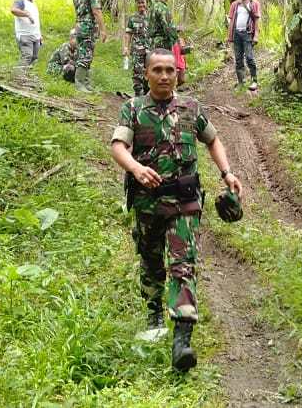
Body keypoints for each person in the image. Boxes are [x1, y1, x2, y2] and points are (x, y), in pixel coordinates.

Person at [110, 48, 244, 371]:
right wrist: (136, 168)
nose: (165, 76)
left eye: (170, 70)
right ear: (146, 75)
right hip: (147, 202)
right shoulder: (133, 110)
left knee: (183, 265)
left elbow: (212, 140)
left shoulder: (190, 108)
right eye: (157, 70)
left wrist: (227, 172)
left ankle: (182, 339)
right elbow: (118, 146)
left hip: (184, 201)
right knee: (151, 259)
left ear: (177, 73)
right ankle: (154, 311)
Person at [73, 0, 108, 93]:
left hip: (79, 27)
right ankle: (80, 84)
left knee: (84, 53)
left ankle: (86, 83)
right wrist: (103, 30)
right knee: (85, 54)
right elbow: (96, 11)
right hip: (88, 28)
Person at [226, 0, 261, 90]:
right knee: (238, 59)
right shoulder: (235, 5)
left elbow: (256, 20)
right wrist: (229, 35)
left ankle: (254, 81)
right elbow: (231, 21)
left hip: (248, 34)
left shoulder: (254, 4)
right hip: (237, 34)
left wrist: (256, 35)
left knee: (249, 58)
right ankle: (241, 81)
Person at [10, 0, 43, 76]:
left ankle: (28, 77)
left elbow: (36, 22)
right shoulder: (21, 2)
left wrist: (40, 35)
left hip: (35, 36)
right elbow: (13, 10)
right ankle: (19, 78)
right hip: (25, 35)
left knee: (34, 58)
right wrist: (27, 14)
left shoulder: (33, 5)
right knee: (27, 56)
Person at [124, 0, 150, 96]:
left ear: (146, 3)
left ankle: (148, 93)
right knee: (137, 71)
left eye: (143, 2)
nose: (141, 5)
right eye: (139, 3)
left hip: (150, 50)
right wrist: (126, 47)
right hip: (137, 49)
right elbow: (128, 33)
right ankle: (138, 93)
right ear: (136, 4)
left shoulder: (151, 16)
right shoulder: (132, 18)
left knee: (149, 70)